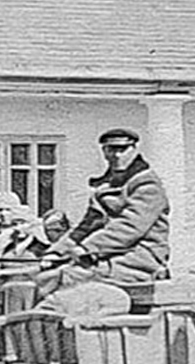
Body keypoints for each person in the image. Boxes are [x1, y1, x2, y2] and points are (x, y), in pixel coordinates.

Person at [38, 128, 170, 300]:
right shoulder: (105, 186)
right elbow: (85, 227)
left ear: (134, 150)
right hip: (107, 255)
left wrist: (88, 248)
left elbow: (128, 228)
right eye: (111, 150)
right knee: (32, 276)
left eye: (122, 150)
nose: (116, 156)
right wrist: (56, 252)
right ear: (104, 151)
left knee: (60, 278)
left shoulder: (147, 185)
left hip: (139, 258)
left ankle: (51, 325)